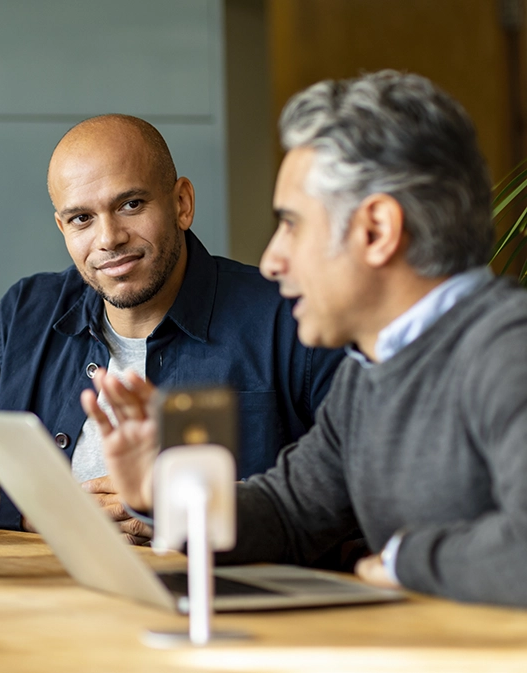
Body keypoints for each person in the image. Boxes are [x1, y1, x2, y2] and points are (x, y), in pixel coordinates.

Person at [91, 70, 527, 607]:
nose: (272, 262)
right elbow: (285, 515)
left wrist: (400, 561)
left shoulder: (510, 349)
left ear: (376, 231)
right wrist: (164, 491)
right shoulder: (369, 373)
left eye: (293, 225)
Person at [0, 115, 343, 539]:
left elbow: (355, 491)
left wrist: (173, 508)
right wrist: (37, 508)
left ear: (181, 203)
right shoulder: (26, 315)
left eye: (131, 204)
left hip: (213, 607)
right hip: (43, 605)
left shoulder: (289, 316)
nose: (109, 239)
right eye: (82, 218)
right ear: (63, 229)